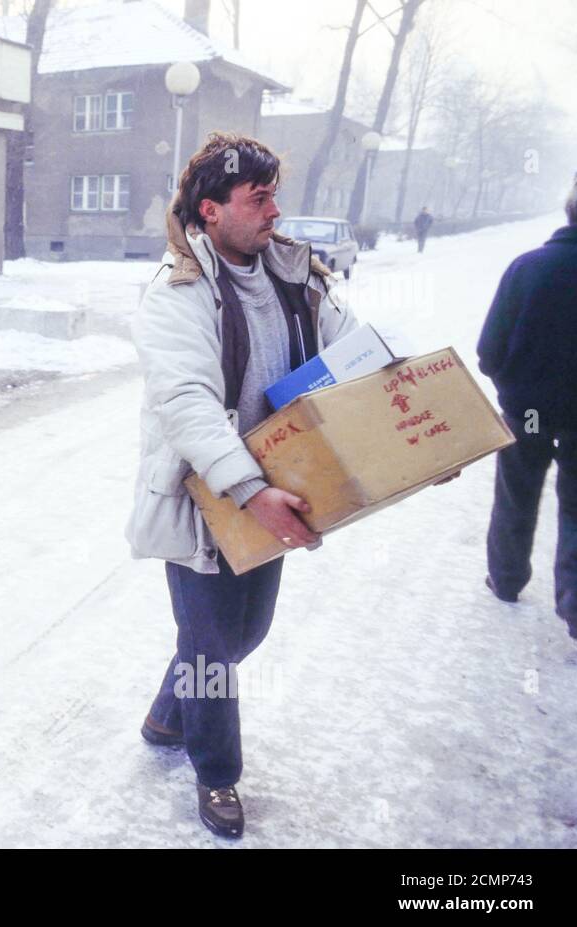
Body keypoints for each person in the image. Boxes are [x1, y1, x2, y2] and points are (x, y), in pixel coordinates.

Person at [126, 132, 360, 838]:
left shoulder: (298, 277)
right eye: (257, 198)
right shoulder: (177, 292)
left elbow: (359, 358)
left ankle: (168, 714)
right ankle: (217, 776)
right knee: (210, 651)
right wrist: (249, 488)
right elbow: (188, 404)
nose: (273, 210)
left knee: (244, 632)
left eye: (273, 195)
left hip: (277, 484)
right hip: (206, 499)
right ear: (211, 211)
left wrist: (420, 435)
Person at [477, 177, 577, 641]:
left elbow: (488, 349)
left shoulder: (528, 269)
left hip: (528, 413)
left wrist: (513, 389)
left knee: (516, 498)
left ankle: (506, 581)